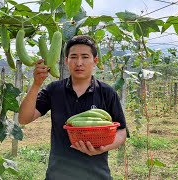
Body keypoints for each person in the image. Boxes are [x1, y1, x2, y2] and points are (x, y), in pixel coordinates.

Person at [18, 35, 127, 180]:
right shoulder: (54, 90)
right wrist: (36, 84)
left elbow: (122, 131)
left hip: (97, 174)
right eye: (74, 57)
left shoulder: (107, 92)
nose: (79, 63)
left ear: (95, 61)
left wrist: (102, 148)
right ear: (66, 61)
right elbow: (24, 118)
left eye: (85, 57)